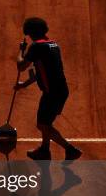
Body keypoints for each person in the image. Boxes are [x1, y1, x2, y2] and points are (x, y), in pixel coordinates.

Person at [14, 18, 82, 160]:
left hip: (52, 93)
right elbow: (42, 71)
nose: (30, 37)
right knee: (46, 122)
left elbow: (21, 66)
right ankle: (44, 150)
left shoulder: (36, 47)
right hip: (59, 90)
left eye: (30, 33)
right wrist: (24, 84)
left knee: (42, 125)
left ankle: (70, 149)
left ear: (33, 32)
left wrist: (21, 51)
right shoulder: (53, 44)